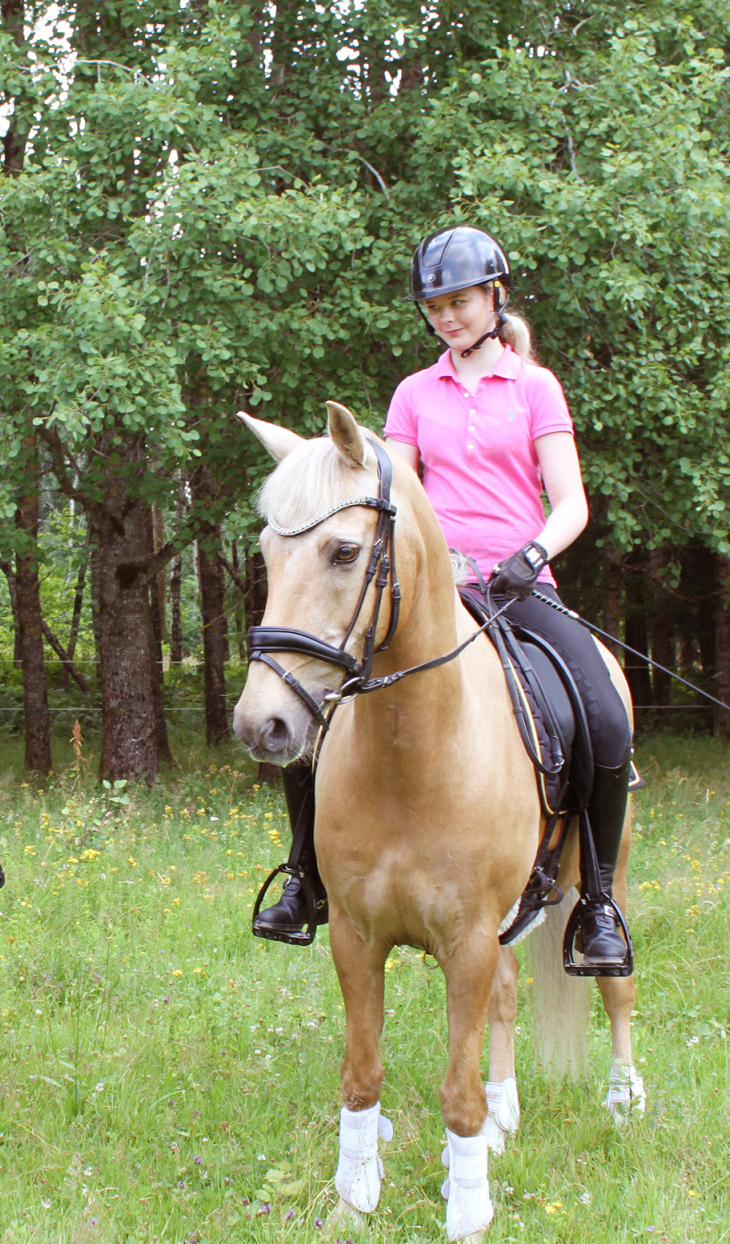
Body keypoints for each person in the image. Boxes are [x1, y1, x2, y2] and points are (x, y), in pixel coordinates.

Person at [252, 226, 633, 974]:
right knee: (316, 705)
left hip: (520, 587)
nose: (447, 318)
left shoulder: (534, 387)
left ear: (494, 297)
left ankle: (597, 903)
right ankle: (306, 878)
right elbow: (394, 493)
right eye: (435, 307)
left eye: (458, 302)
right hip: (434, 595)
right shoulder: (413, 394)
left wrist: (532, 554)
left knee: (602, 713)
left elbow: (572, 502)